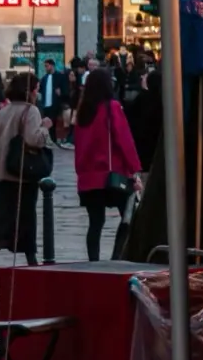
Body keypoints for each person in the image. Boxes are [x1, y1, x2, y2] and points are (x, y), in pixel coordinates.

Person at [0, 71, 50, 264]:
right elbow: (34, 139)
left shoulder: (3, 112)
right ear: (30, 90)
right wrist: (45, 127)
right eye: (36, 89)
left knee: (4, 224)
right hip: (23, 176)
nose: (37, 93)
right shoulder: (31, 111)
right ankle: (31, 263)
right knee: (26, 222)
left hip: (4, 177)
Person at [71, 68, 142, 261]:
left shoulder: (83, 112)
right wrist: (134, 169)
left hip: (88, 178)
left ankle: (93, 260)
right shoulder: (112, 107)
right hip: (111, 175)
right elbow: (124, 140)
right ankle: (118, 255)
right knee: (128, 218)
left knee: (95, 223)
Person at [37, 58, 72, 147]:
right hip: (46, 104)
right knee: (47, 122)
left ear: (52, 66)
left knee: (54, 122)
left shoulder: (60, 76)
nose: (45, 68)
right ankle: (49, 140)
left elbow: (65, 90)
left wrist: (61, 94)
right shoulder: (44, 78)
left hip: (56, 104)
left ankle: (53, 140)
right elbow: (40, 90)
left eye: (47, 66)